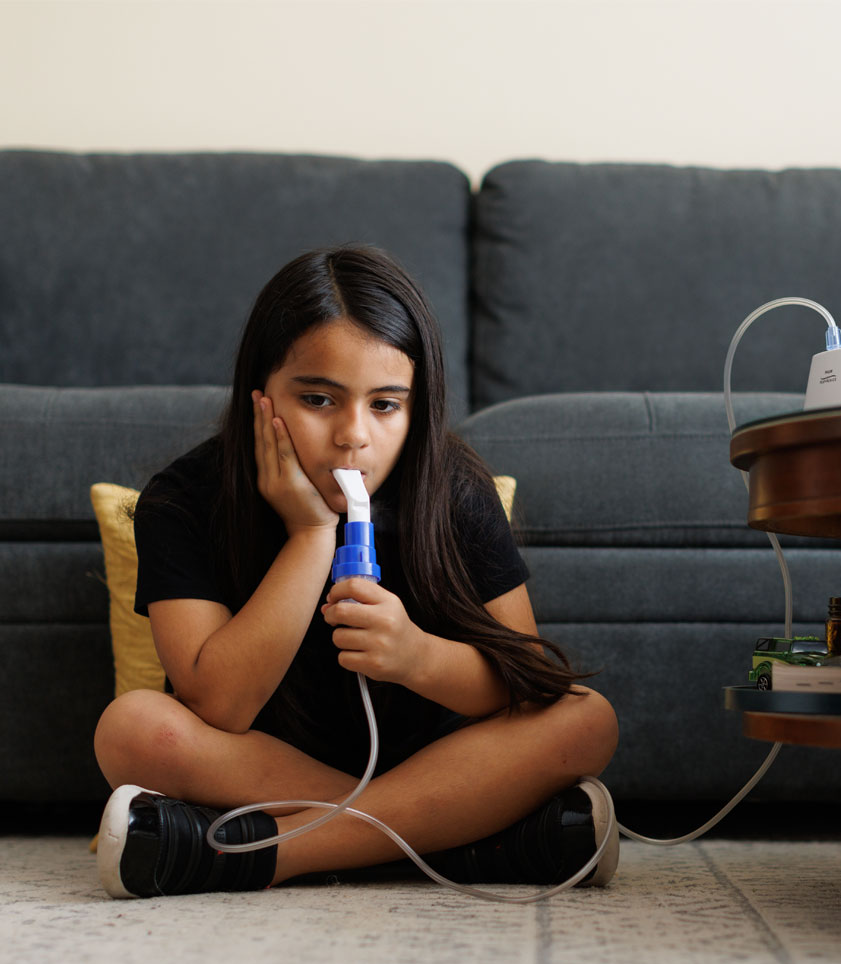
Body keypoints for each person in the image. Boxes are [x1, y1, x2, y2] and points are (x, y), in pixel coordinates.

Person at [93, 245, 619, 898]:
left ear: (417, 406)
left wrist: (415, 656)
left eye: (386, 405)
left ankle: (268, 855)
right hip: (265, 767)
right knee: (133, 728)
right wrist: (311, 535)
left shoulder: (453, 490)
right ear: (260, 396)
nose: (354, 436)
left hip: (447, 760)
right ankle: (462, 838)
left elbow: (524, 686)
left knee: (585, 717)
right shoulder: (186, 498)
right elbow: (218, 706)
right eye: (319, 398)